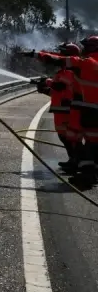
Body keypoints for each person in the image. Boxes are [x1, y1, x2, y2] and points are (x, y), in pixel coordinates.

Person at [23, 36, 98, 187]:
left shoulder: (86, 63)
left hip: (88, 110)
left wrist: (35, 54)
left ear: (91, 48)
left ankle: (87, 176)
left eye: (85, 46)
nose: (83, 49)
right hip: (92, 110)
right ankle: (88, 174)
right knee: (92, 143)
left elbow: (57, 60)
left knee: (80, 143)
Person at [32, 43, 83, 173]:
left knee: (71, 138)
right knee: (64, 137)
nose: (59, 56)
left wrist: (47, 82)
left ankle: (77, 161)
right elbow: (58, 92)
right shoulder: (63, 71)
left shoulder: (70, 72)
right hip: (60, 109)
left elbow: (60, 86)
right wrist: (45, 90)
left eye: (62, 53)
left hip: (67, 110)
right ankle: (74, 160)